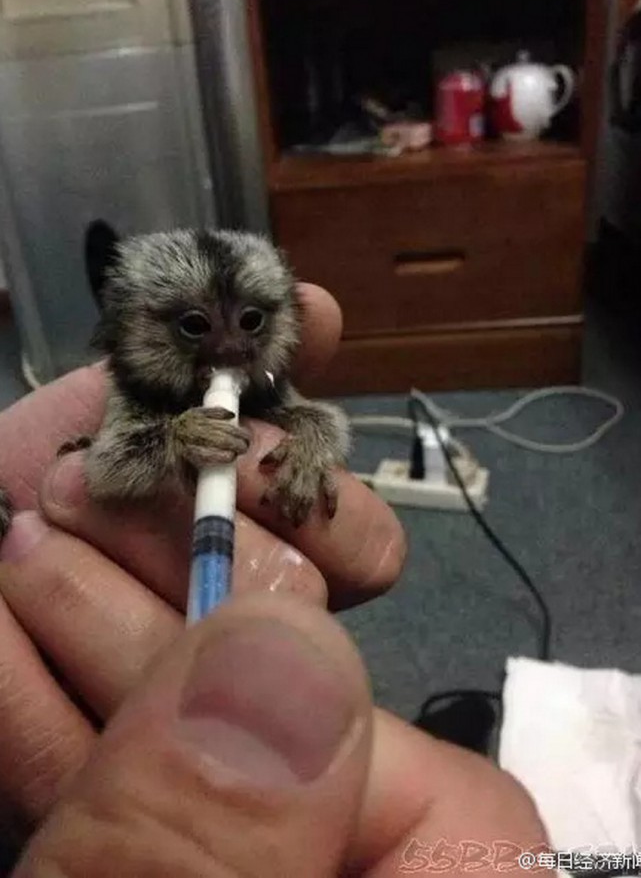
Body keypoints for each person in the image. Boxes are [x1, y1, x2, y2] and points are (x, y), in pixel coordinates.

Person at [0, 285, 547, 875]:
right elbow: (109, 464)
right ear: (133, 326)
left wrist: (309, 453)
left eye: (252, 322)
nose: (230, 346)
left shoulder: (264, 385)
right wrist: (175, 438)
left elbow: (321, 424)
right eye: (195, 327)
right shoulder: (131, 389)